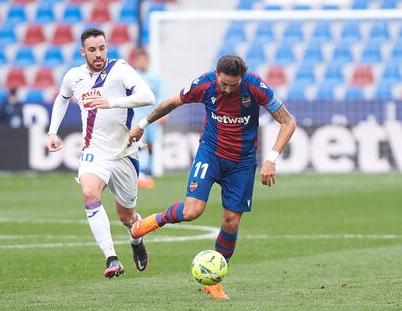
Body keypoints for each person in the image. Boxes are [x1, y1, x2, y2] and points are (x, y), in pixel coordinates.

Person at [128, 55, 296, 299]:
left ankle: (213, 280)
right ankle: (150, 223)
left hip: (242, 162)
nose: (227, 89)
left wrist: (271, 158)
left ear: (242, 78)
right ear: (217, 74)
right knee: (192, 211)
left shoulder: (255, 87)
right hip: (211, 154)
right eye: (224, 84)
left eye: (233, 85)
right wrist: (143, 123)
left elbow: (288, 121)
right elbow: (172, 102)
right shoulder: (205, 84)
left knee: (231, 222)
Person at [46, 28, 155, 278]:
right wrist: (53, 131)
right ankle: (112, 259)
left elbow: (147, 96)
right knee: (89, 193)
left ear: (107, 47)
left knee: (127, 216)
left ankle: (136, 241)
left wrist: (112, 102)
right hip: (94, 152)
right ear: (82, 52)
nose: (98, 54)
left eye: (102, 48)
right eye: (92, 50)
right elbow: (62, 99)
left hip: (124, 153)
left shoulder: (120, 70)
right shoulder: (73, 76)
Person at [131, 47, 165, 189]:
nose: (141, 63)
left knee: (150, 145)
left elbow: (161, 95)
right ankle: (141, 174)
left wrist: (164, 113)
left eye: (143, 60)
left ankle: (148, 173)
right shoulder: (133, 76)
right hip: (137, 115)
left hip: (152, 115)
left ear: (148, 61)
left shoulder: (155, 76)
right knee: (139, 144)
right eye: (139, 60)